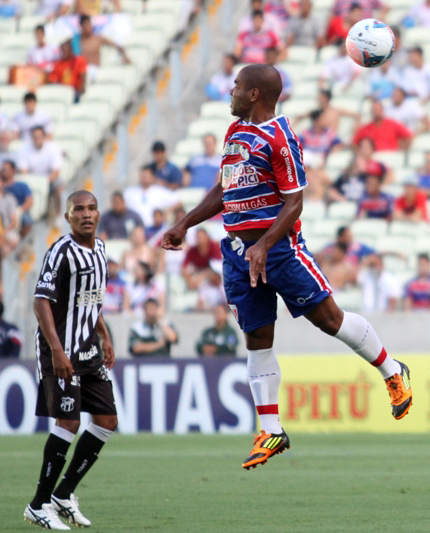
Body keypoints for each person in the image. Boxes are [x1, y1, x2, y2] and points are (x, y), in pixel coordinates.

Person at [161, 63, 413, 470]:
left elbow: (295, 201)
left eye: (238, 86)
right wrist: (184, 223)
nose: (232, 91)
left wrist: (264, 244)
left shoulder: (280, 138)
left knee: (329, 321)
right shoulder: (234, 133)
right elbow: (225, 190)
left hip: (278, 250)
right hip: (239, 253)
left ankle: (391, 369)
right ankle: (271, 429)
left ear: (255, 94)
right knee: (257, 337)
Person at [25, 190, 116, 530]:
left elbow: (90, 300)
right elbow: (40, 301)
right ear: (68, 217)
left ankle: (63, 495)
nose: (87, 214)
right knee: (69, 423)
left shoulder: (102, 250)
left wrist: (105, 335)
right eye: (79, 209)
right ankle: (38, 505)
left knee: (107, 420)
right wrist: (58, 350)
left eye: (92, 207)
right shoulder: (61, 251)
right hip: (59, 351)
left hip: (89, 350)